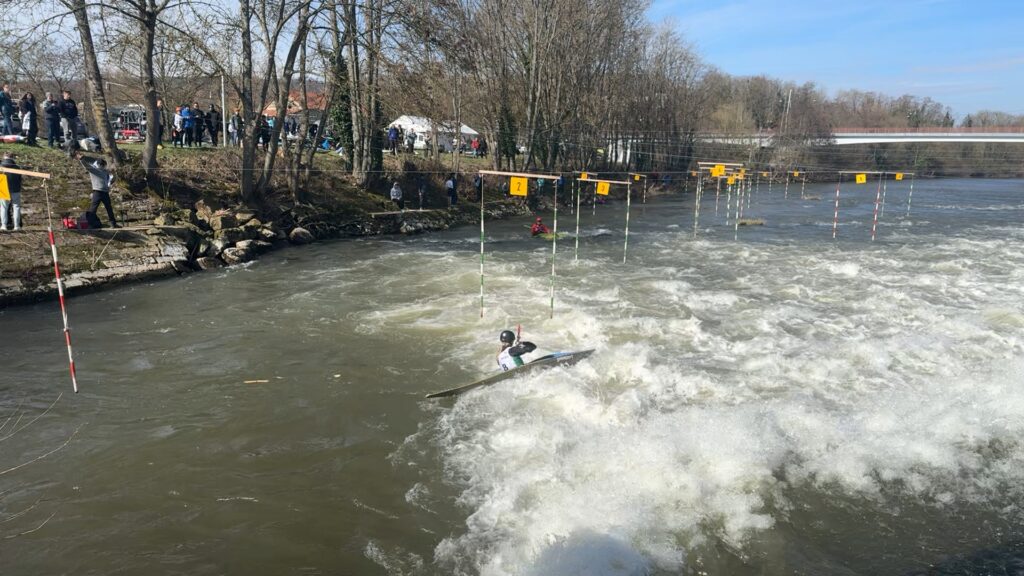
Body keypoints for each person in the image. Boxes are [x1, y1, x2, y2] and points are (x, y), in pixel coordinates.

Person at [76, 152, 119, 228]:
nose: (103, 166)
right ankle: (90, 224)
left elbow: (110, 180)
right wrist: (82, 159)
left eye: (104, 165)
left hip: (105, 192)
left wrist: (114, 175)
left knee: (109, 208)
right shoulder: (94, 170)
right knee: (93, 210)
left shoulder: (105, 172)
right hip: (97, 192)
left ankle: (113, 223)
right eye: (102, 165)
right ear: (99, 164)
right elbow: (86, 166)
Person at [0, 152, 22, 231]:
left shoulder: (0, 166)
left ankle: (3, 226)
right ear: (12, 158)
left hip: (3, 190)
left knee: (3, 208)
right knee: (16, 207)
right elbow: (20, 179)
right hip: (16, 190)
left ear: (4, 157)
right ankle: (16, 226)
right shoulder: (17, 167)